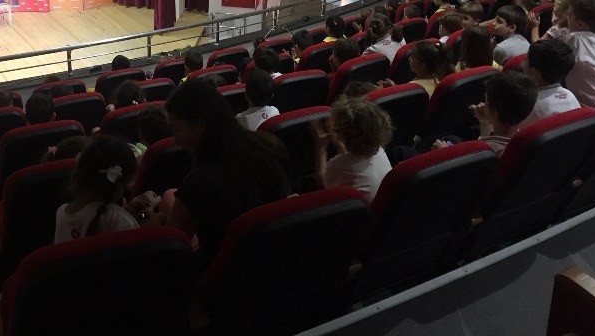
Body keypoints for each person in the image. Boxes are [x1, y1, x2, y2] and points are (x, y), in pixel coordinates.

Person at [164, 80, 291, 270]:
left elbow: (172, 251)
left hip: (226, 275)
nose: (175, 141)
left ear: (200, 125)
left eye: (177, 130)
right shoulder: (271, 146)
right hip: (276, 261)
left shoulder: (198, 184)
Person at [53, 137, 141, 243]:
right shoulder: (119, 220)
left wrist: (125, 212)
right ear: (118, 183)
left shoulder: (61, 212)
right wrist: (142, 215)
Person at [313, 98, 392, 203]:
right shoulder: (380, 150)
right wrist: (338, 141)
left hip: (365, 212)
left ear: (345, 135)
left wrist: (322, 145)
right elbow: (350, 160)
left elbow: (322, 182)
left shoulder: (337, 165)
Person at [438, 72, 537, 155]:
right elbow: (487, 142)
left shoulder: (484, 151)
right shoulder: (525, 140)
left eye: (486, 101)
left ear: (492, 108)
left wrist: (446, 152)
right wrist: (484, 121)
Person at [518, 40, 580, 128]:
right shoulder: (571, 96)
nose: (522, 63)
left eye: (525, 59)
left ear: (534, 71)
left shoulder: (529, 106)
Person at [380, 40, 453, 97]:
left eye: (412, 57)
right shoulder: (438, 80)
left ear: (422, 65)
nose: (409, 58)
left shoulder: (413, 88)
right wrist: (395, 88)